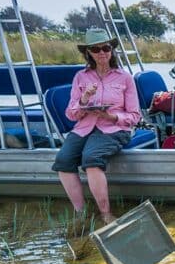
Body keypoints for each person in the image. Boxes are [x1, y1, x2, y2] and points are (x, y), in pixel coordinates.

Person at [52, 28, 141, 224]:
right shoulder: (80, 77)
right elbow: (71, 114)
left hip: (114, 129)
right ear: (88, 53)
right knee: (63, 160)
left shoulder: (125, 78)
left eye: (106, 48)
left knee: (91, 158)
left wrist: (110, 116)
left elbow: (135, 116)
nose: (102, 52)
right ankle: (81, 213)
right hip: (84, 127)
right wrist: (84, 99)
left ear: (112, 50)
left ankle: (105, 214)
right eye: (96, 49)